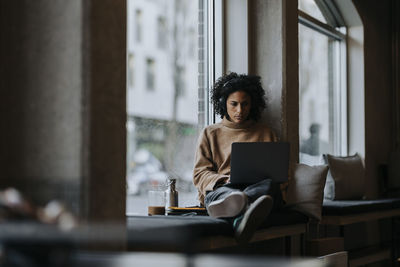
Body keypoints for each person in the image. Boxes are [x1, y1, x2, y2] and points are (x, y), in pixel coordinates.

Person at [192, 72, 282, 243]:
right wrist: (224, 181)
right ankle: (241, 206)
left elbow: (279, 173)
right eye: (234, 104)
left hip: (257, 189)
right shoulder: (210, 133)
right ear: (223, 103)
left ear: (252, 104)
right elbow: (199, 174)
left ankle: (241, 207)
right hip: (224, 188)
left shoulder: (266, 133)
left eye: (245, 104)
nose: (239, 110)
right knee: (224, 193)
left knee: (270, 186)